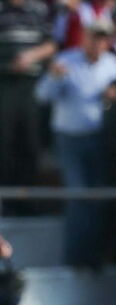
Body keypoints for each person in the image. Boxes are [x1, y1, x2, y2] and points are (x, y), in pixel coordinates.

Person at [35, 17, 116, 267]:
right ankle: (74, 259)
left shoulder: (112, 65)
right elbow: (41, 96)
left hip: (100, 140)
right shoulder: (67, 60)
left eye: (104, 38)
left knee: (98, 199)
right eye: (94, 36)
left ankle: (93, 257)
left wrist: (114, 95)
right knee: (78, 197)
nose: (99, 42)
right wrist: (54, 78)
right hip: (70, 139)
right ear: (85, 37)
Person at [0, 0, 56, 209]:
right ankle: (6, 201)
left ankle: (26, 201)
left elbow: (51, 44)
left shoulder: (38, 9)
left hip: (31, 85)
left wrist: (30, 56)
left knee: (30, 141)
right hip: (4, 83)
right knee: (4, 142)